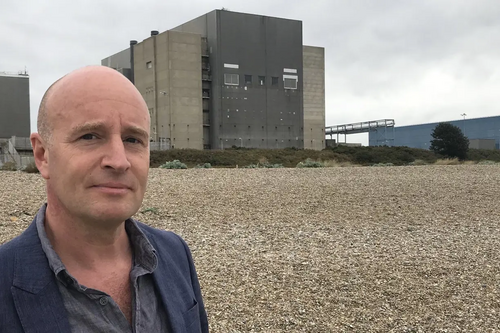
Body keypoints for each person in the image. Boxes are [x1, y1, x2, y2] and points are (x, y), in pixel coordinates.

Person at [0, 66, 209, 333]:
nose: (119, 161)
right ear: (42, 155)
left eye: (133, 139)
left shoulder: (175, 253)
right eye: (90, 136)